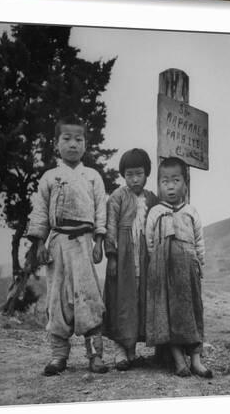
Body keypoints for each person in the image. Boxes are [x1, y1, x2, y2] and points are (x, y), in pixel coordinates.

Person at [27, 117, 109, 376]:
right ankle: (58, 356)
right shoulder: (50, 177)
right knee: (57, 298)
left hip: (84, 244)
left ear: (86, 144)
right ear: (56, 143)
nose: (73, 144)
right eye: (67, 139)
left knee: (89, 297)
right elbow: (40, 212)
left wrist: (99, 240)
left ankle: (95, 355)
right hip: (58, 244)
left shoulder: (93, 176)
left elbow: (100, 211)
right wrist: (39, 243)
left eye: (79, 139)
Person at [145, 157, 212, 378]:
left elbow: (199, 240)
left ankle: (196, 360)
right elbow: (150, 241)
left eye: (176, 180)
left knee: (192, 311)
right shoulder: (155, 212)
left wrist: (199, 262)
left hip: (188, 268)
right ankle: (178, 361)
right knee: (169, 314)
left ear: (185, 183)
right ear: (159, 184)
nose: (171, 186)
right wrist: (156, 264)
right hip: (163, 271)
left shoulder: (191, 212)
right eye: (165, 181)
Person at [104, 148, 158, 371]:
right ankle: (119, 351)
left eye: (139, 174)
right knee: (121, 302)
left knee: (138, 302)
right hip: (123, 258)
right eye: (129, 174)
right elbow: (110, 228)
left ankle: (132, 351)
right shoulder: (117, 197)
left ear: (147, 174)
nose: (135, 179)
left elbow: (157, 226)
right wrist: (113, 257)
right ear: (123, 175)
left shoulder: (152, 198)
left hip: (144, 259)